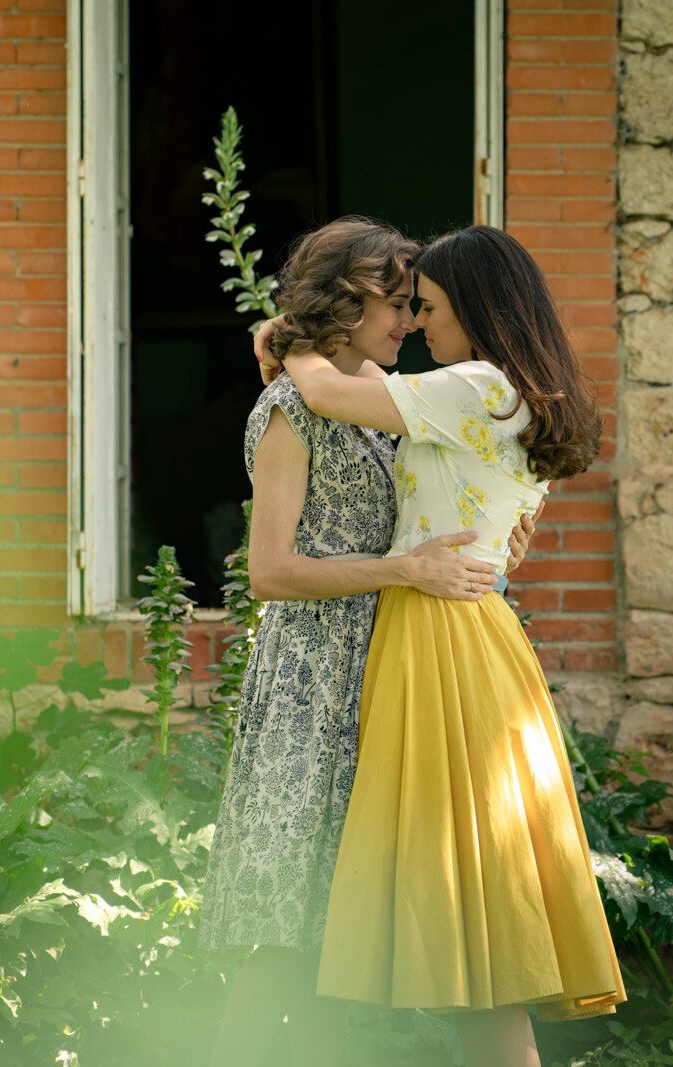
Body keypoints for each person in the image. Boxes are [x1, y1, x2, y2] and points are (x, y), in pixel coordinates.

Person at [263, 224, 624, 1067]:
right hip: (462, 632)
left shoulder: (480, 387)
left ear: (478, 308)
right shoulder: (500, 392)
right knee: (482, 934)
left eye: (427, 307)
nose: (419, 325)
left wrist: (289, 338)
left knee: (482, 925)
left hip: (444, 642)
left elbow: (327, 393)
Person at [200, 217, 536, 1067]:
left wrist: (493, 543)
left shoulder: (380, 417)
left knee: (343, 940)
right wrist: (402, 570)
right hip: (313, 687)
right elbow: (271, 570)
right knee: (286, 932)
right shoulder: (288, 410)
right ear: (344, 306)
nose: (410, 323)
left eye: (415, 305)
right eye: (394, 304)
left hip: (384, 680)